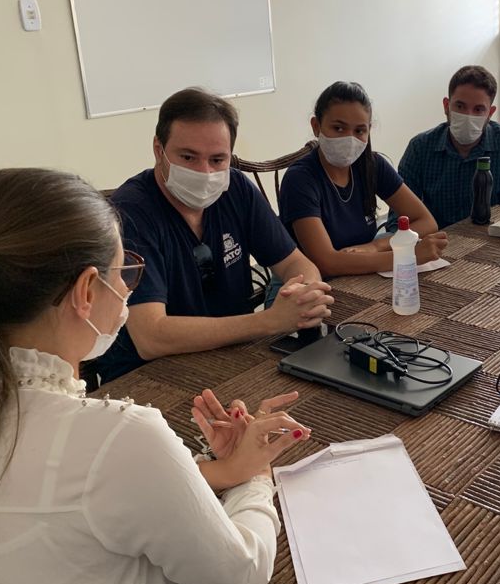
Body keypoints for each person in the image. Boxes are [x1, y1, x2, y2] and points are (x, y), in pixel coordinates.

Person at [0, 168, 311, 584]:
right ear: (85, 290)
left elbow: (74, 505)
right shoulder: (119, 437)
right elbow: (233, 580)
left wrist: (212, 470)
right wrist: (255, 478)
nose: (126, 289)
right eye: (123, 273)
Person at [94, 87, 333, 383]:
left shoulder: (236, 189)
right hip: (149, 376)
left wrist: (304, 295)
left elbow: (295, 262)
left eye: (218, 160)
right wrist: (269, 320)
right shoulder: (130, 214)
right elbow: (151, 337)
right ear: (158, 149)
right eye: (188, 157)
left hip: (232, 355)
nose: (205, 172)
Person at [279, 81, 447, 277]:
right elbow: (325, 263)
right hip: (306, 282)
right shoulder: (300, 179)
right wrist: (407, 256)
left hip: (361, 271)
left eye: (359, 131)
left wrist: (376, 246)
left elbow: (426, 221)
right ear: (316, 126)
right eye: (338, 128)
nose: (349, 139)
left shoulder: (371, 165)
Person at [395, 65, 500, 229]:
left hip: (491, 238)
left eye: (478, 109)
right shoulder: (420, 148)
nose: (468, 115)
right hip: (433, 238)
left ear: (490, 113)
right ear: (446, 105)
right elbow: (399, 218)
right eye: (460, 106)